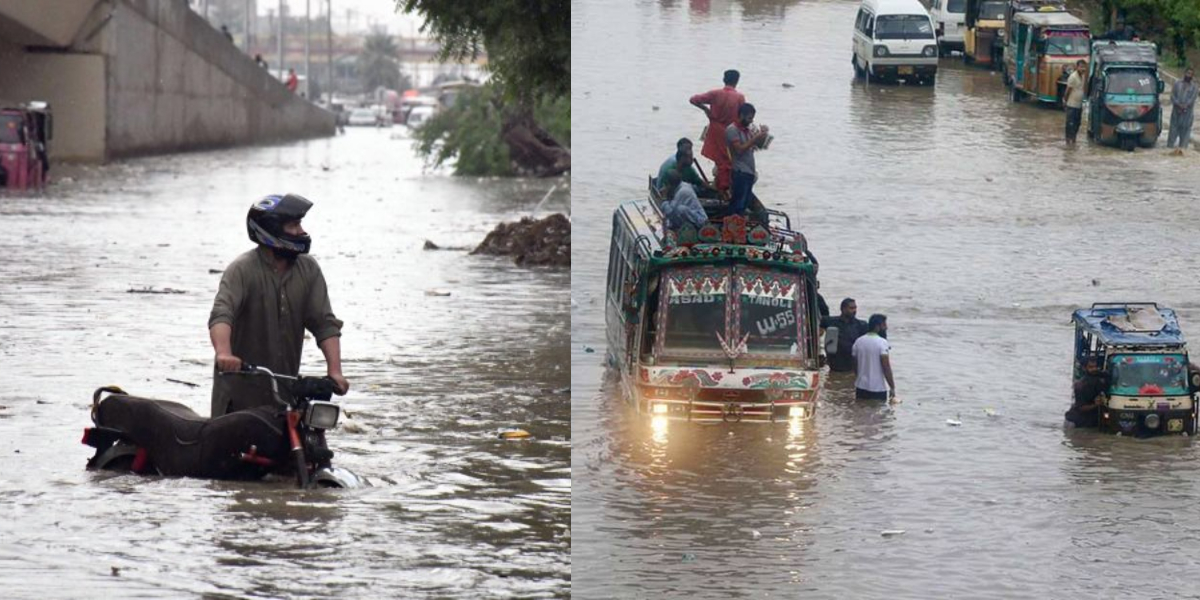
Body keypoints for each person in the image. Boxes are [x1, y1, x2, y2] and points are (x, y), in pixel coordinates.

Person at [208, 194, 348, 417]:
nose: (301, 231)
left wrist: (335, 371)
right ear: (271, 230)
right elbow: (222, 313)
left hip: (285, 394)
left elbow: (324, 324)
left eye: (300, 224)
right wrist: (224, 354)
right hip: (239, 398)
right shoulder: (241, 269)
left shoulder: (309, 269)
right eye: (294, 225)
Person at [690, 70, 745, 193]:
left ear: (724, 79)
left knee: (720, 161)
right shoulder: (739, 97)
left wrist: (705, 109)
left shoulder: (715, 94)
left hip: (715, 130)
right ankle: (723, 189)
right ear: (737, 81)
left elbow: (693, 99)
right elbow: (743, 115)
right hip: (731, 131)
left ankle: (721, 187)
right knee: (727, 162)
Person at [725, 103, 770, 217]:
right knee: (738, 203)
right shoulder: (732, 130)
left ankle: (738, 222)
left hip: (749, 171)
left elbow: (759, 146)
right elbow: (739, 150)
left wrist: (763, 135)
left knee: (744, 203)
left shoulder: (747, 130)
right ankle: (732, 222)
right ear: (741, 115)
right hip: (740, 170)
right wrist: (755, 138)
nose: (751, 121)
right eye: (749, 118)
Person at [659, 148, 708, 230]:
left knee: (680, 209)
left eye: (666, 186)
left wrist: (664, 199)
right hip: (693, 217)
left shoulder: (682, 191)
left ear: (670, 185)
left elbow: (670, 212)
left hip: (700, 221)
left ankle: (690, 229)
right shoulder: (680, 186)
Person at [851, 314, 895, 401]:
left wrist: (859, 378)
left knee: (860, 408)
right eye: (884, 325)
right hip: (877, 389)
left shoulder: (858, 341)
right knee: (879, 409)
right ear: (877, 327)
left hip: (860, 387)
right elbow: (886, 367)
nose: (886, 328)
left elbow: (855, 365)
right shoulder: (882, 342)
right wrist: (892, 387)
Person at [822, 298, 868, 372]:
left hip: (853, 364)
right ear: (843, 309)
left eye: (855, 308)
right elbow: (817, 329)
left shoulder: (861, 325)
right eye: (851, 308)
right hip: (835, 364)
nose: (854, 310)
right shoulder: (830, 322)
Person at [1065, 363, 1107, 428]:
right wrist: (1096, 405)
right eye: (1091, 367)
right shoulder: (1080, 385)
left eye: (1095, 367)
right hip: (1074, 421)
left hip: (1088, 420)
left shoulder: (1098, 380)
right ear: (1084, 368)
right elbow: (1081, 407)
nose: (1094, 369)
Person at [1168, 67, 1197, 155]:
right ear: (1184, 73)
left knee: (1185, 132)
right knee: (1173, 131)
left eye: (1190, 74)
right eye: (1187, 73)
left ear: (1192, 76)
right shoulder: (1177, 83)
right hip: (1176, 111)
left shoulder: (1194, 87)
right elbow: (1172, 95)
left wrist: (1185, 106)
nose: (1188, 75)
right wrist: (1178, 104)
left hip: (1187, 113)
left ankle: (1183, 151)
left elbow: (1193, 99)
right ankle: (1169, 149)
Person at [1063, 59, 1087, 146]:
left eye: (1084, 67)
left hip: (1079, 105)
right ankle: (1068, 141)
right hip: (1071, 105)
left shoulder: (1083, 76)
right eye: (1081, 67)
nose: (1083, 69)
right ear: (1077, 67)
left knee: (1077, 123)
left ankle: (1073, 140)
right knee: (1070, 124)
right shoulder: (1073, 77)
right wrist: (1065, 101)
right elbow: (1068, 90)